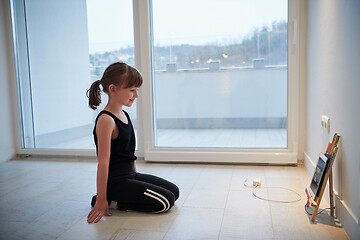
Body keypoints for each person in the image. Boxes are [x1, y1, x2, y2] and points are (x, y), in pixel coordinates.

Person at [86, 62, 179, 223]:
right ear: (113, 89)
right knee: (165, 202)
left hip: (129, 175)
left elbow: (127, 153)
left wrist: (136, 177)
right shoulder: (106, 120)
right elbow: (103, 162)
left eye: (136, 90)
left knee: (174, 191)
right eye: (132, 90)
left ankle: (118, 196)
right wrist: (102, 199)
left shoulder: (124, 114)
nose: (136, 95)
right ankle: (114, 201)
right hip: (116, 182)